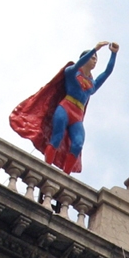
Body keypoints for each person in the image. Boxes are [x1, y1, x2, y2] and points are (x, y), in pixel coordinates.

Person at [9, 42, 118, 174]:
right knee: (57, 137)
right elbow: (78, 65)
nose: (95, 61)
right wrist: (95, 49)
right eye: (93, 58)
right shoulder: (71, 71)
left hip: (77, 115)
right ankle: (46, 168)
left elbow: (107, 72)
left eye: (96, 59)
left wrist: (113, 54)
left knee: (78, 143)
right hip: (65, 108)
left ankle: (65, 175)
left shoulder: (92, 83)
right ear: (85, 58)